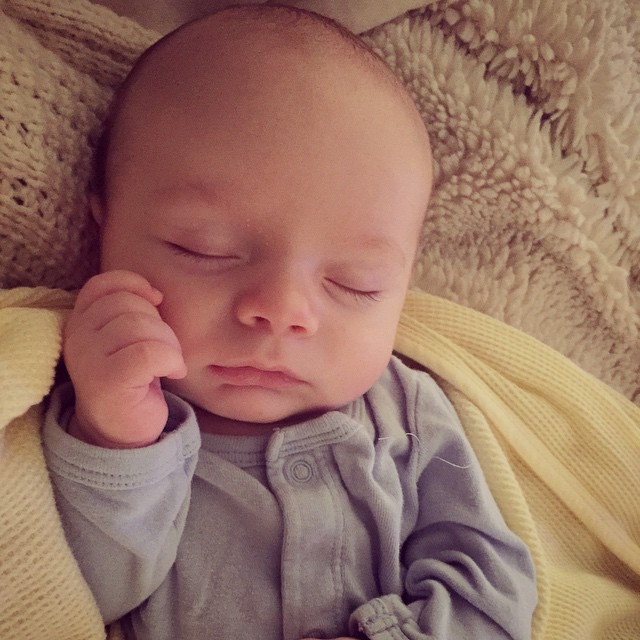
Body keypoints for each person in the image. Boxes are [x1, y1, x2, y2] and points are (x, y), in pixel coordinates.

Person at [43, 5, 537, 639]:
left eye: (355, 282)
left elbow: (493, 588)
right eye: (204, 249)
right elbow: (65, 599)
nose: (281, 310)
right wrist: (113, 444)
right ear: (103, 227)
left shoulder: (408, 414)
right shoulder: (91, 407)